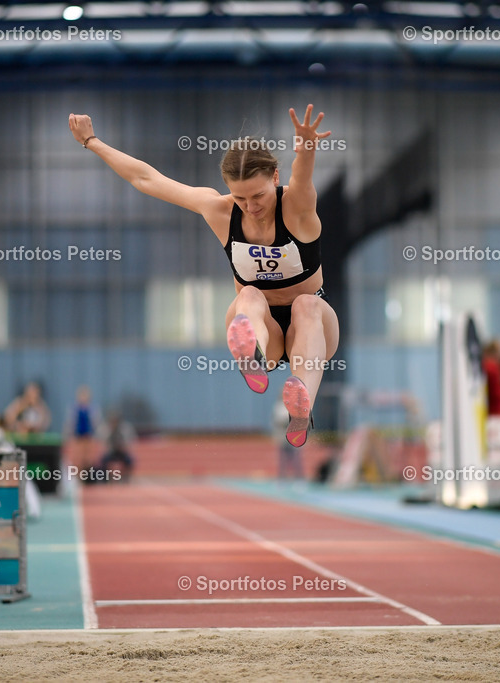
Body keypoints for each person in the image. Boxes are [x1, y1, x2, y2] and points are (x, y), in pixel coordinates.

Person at [69, 105, 340, 447]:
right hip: (264, 327)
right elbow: (147, 179)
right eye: (240, 197)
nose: (250, 206)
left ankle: (301, 408)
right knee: (250, 295)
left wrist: (306, 147)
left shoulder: (296, 207)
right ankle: (250, 353)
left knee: (306, 305)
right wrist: (91, 141)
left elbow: (302, 177)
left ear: (275, 177)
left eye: (257, 195)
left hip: (312, 331)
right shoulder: (220, 210)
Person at [97, 412, 136, 482]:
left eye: (116, 420)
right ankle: (105, 477)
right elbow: (103, 442)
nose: (114, 423)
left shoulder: (124, 429)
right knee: (102, 460)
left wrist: (123, 447)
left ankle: (126, 477)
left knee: (130, 460)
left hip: (122, 452)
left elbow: (129, 441)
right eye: (112, 421)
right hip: (111, 452)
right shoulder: (106, 429)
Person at [272, 398, 302, 480]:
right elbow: (277, 420)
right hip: (283, 435)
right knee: (283, 459)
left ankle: (299, 478)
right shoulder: (280, 406)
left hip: (294, 436)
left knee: (296, 458)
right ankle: (282, 478)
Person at [482, 340, 500, 417]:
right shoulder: (493, 367)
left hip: (487, 409)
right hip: (495, 411)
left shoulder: (484, 364)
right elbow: (496, 392)